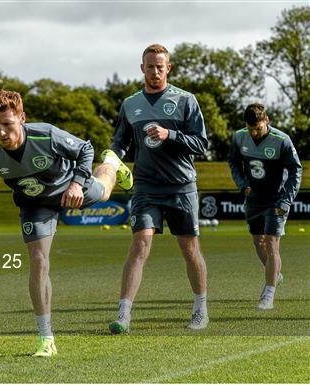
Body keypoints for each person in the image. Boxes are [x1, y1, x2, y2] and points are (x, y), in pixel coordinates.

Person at [0, 90, 132, 357]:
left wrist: (77, 184)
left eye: (8, 124)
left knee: (104, 190)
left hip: (70, 190)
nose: (1, 133)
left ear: (21, 118)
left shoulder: (45, 135)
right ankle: (46, 338)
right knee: (38, 262)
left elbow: (84, 148)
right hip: (35, 205)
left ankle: (113, 163)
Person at [108, 44, 210, 333]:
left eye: (160, 67)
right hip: (146, 187)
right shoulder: (130, 104)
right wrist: (110, 161)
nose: (154, 71)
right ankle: (123, 315)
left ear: (169, 68)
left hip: (181, 186)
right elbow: (120, 142)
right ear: (142, 68)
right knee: (140, 245)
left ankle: (200, 308)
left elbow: (201, 144)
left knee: (189, 249)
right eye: (149, 66)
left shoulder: (186, 100)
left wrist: (170, 134)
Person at [228, 103, 302, 310]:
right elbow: (233, 162)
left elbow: (296, 171)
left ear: (266, 121)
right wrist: (243, 185)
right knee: (258, 242)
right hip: (253, 199)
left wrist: (286, 200)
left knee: (271, 243)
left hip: (276, 199)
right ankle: (275, 275)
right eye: (250, 128)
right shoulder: (239, 137)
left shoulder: (282, 141)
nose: (254, 132)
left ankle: (269, 293)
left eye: (258, 128)